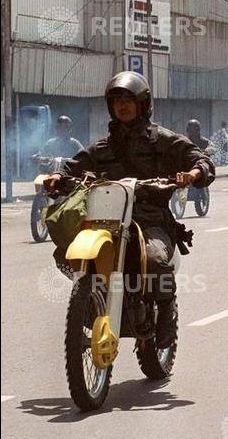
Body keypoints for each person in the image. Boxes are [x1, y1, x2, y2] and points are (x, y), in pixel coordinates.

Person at [45, 71, 216, 349]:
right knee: (67, 252)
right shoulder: (103, 147)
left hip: (150, 219)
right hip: (106, 218)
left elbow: (199, 158)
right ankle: (92, 297)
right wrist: (57, 177)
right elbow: (72, 167)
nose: (122, 105)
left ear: (142, 104)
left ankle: (166, 312)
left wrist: (194, 173)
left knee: (156, 260)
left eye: (128, 100)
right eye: (116, 100)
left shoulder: (162, 140)